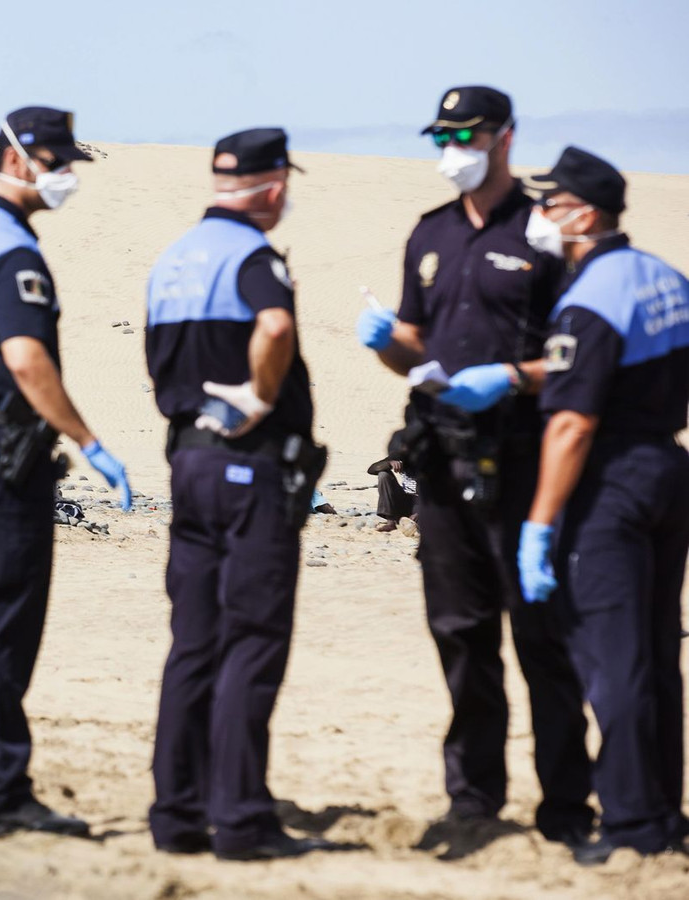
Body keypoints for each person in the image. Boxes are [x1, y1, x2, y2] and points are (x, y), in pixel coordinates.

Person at [356, 86, 593, 845]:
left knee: (542, 638)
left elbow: (578, 358)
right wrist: (386, 345)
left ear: (504, 137)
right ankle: (474, 797)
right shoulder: (428, 236)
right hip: (442, 459)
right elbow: (413, 349)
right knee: (460, 635)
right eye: (442, 136)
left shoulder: (544, 233)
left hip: (524, 459)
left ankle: (564, 804)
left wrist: (513, 378)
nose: (452, 148)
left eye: (466, 133)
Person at [0, 106, 131, 842]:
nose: (65, 175)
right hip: (1, 450)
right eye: (55, 161)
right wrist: (89, 438)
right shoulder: (12, 251)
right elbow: (26, 359)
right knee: (3, 621)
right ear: (14, 159)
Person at [144, 127, 331, 861]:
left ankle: (177, 812)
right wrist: (258, 394)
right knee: (251, 638)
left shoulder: (172, 259)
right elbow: (276, 324)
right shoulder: (254, 258)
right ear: (274, 187)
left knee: (193, 641)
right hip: (247, 465)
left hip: (187, 462)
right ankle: (244, 820)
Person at [515, 147, 689, 865]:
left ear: (585, 214)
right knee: (656, 651)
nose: (542, 217)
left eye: (551, 205)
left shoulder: (590, 297)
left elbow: (571, 422)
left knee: (613, 661)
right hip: (666, 471)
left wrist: (540, 523)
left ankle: (629, 826)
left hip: (610, 482)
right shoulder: (668, 279)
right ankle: (663, 814)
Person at [367, 456, 417, 533]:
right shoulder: (402, 454)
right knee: (383, 475)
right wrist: (389, 463)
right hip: (405, 498)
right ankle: (390, 522)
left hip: (424, 502)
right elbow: (371, 469)